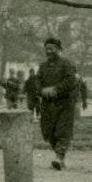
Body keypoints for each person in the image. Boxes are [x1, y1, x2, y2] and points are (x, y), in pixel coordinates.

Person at [36, 38, 78, 170]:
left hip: (64, 103)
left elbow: (70, 81)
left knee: (62, 131)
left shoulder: (66, 64)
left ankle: (59, 157)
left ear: (58, 49)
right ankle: (60, 158)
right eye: (47, 49)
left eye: (52, 48)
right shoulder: (42, 66)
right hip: (47, 104)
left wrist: (56, 89)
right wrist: (42, 90)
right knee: (49, 132)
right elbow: (37, 81)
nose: (49, 51)